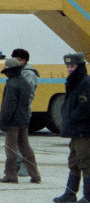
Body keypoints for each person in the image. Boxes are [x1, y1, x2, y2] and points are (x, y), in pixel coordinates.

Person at [0, 57, 41, 184]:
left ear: (9, 69)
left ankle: (11, 175)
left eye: (5, 67)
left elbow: (8, 106)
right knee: (26, 147)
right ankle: (35, 175)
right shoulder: (24, 82)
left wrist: (3, 122)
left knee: (11, 149)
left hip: (12, 123)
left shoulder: (11, 84)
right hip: (24, 120)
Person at [53, 52, 90, 203]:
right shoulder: (74, 82)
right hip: (75, 130)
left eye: (72, 66)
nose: (69, 69)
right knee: (74, 162)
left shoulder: (85, 83)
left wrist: (71, 118)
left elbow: (85, 107)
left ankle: (88, 196)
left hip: (84, 131)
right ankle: (70, 193)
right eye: (68, 66)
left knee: (86, 162)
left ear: (79, 66)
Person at [12, 48, 38, 176]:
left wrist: (19, 108)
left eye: (16, 60)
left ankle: (26, 166)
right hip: (16, 111)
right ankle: (17, 164)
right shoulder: (19, 72)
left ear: (23, 61)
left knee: (22, 141)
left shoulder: (28, 74)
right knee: (15, 140)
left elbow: (28, 94)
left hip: (22, 111)